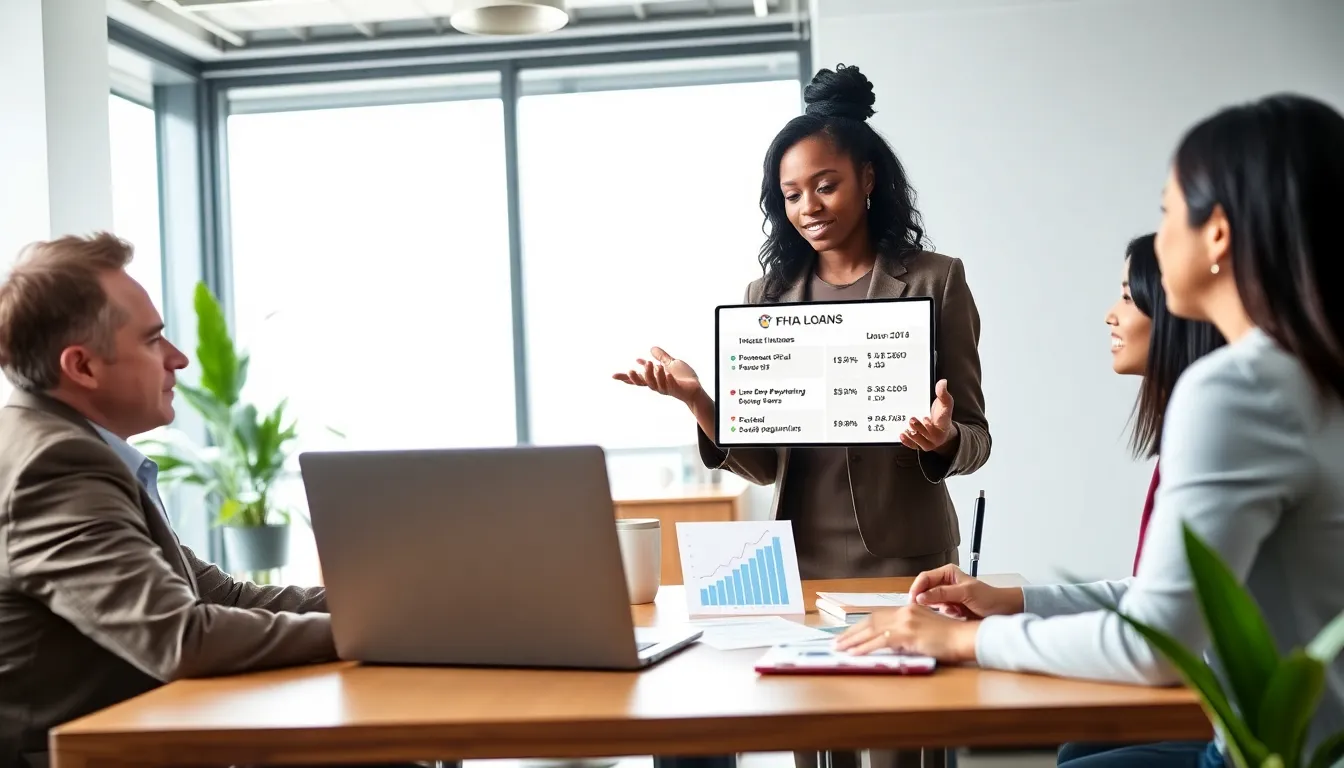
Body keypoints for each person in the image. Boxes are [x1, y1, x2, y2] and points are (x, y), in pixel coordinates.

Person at [835, 93, 1344, 767]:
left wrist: (958, 641)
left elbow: (1152, 643)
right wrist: (1012, 601)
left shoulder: (1239, 389)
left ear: (1217, 234)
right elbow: (1173, 598)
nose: (1159, 241)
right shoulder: (1313, 373)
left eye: (1167, 212)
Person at [616, 64, 990, 768]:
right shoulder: (767, 294)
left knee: (903, 749)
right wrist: (700, 401)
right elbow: (763, 460)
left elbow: (976, 437)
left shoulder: (937, 279)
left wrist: (943, 440)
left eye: (826, 184)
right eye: (791, 194)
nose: (809, 206)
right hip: (799, 560)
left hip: (902, 559)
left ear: (869, 178)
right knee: (817, 744)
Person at [0, 234, 332, 768]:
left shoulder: (64, 445)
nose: (177, 358)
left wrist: (380, 609)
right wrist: (375, 635)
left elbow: (220, 596)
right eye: (153, 340)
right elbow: (181, 639)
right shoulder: (55, 465)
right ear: (82, 367)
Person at [1106, 233, 1224, 576]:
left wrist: (966, 633)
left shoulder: (1204, 435)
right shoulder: (1186, 424)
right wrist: (1010, 599)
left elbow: (1160, 611)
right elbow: (1146, 594)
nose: (1110, 315)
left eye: (1128, 297)